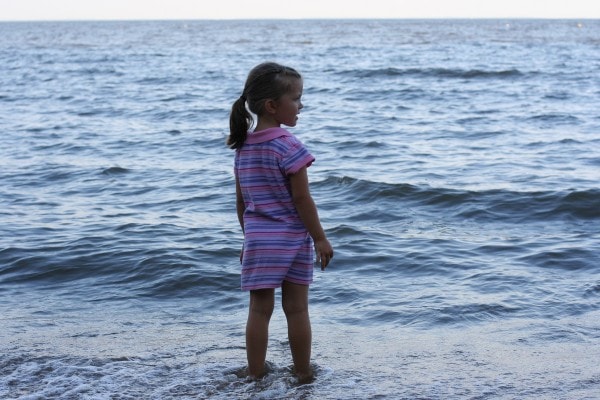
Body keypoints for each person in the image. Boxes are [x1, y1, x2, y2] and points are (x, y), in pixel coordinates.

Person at [227, 62, 334, 383]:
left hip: (260, 241)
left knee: (259, 311)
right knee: (297, 310)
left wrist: (250, 240)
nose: (301, 105)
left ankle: (254, 374)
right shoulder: (290, 146)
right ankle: (302, 375)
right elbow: (302, 200)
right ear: (273, 106)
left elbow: (242, 202)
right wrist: (320, 238)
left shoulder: (243, 147)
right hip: (292, 240)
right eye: (297, 99)